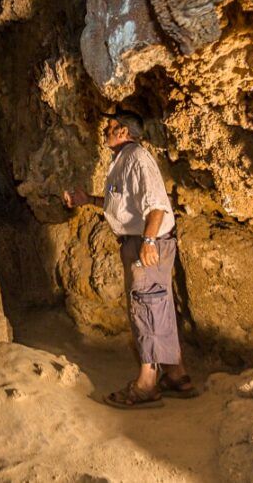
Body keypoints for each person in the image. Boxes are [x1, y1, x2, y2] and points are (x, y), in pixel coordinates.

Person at [63, 110, 198, 408]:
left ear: (123, 131)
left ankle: (147, 384)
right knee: (156, 304)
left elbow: (157, 205)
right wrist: (89, 201)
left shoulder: (136, 157)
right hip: (140, 240)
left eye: (110, 126)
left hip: (147, 242)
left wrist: (148, 241)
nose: (105, 130)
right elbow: (125, 206)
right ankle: (177, 375)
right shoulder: (123, 161)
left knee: (145, 308)